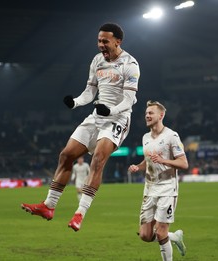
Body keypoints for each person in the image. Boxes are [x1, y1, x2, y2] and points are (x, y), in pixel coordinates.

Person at [21, 22, 140, 232]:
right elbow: (89, 91)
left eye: (105, 41)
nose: (100, 44)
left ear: (118, 41)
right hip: (97, 115)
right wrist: (75, 102)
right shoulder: (97, 61)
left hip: (118, 118)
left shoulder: (130, 64)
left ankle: (79, 214)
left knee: (98, 159)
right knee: (66, 155)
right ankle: (48, 206)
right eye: (99, 40)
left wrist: (110, 112)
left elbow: (129, 100)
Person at [128, 100, 189, 260]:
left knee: (161, 232)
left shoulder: (172, 136)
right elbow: (148, 160)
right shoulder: (145, 137)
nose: (147, 115)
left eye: (151, 113)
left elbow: (184, 163)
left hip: (167, 190)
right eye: (146, 113)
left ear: (161, 115)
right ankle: (174, 237)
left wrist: (164, 161)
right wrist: (138, 167)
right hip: (149, 190)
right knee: (145, 235)